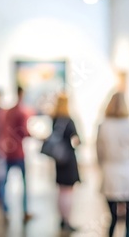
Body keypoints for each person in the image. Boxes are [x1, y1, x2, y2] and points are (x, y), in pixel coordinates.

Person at [96, 92, 129, 237]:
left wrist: (103, 170)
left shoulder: (102, 127)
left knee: (112, 219)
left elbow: (99, 155)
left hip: (110, 177)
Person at [0, 86, 33, 223]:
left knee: (4, 183)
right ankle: (24, 211)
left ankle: (5, 211)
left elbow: (1, 129)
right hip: (18, 152)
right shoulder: (21, 112)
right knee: (23, 183)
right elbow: (23, 132)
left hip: (6, 151)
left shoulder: (6, 112)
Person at [50, 93, 80, 232]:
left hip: (59, 159)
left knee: (61, 191)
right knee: (68, 191)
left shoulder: (55, 119)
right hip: (68, 160)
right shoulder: (68, 120)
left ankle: (62, 219)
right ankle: (67, 220)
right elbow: (77, 140)